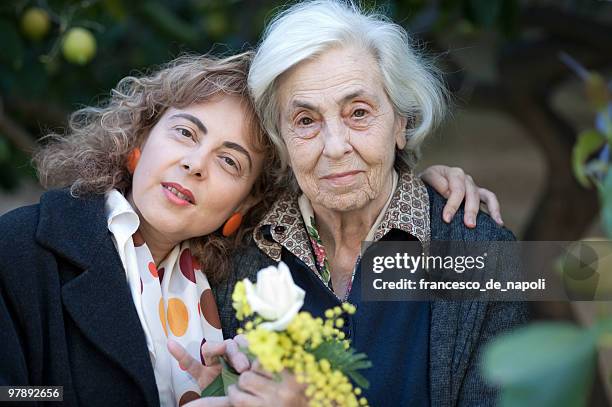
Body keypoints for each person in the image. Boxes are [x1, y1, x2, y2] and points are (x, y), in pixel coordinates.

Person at [0, 51, 500, 407]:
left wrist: (426, 188)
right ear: (139, 137)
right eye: (185, 132)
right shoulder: (22, 247)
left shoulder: (226, 280)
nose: (195, 164)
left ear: (245, 204)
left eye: (230, 162)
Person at [206, 1, 529, 406]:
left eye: (358, 113)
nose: (336, 147)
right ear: (281, 139)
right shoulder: (240, 253)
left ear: (401, 123)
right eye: (306, 121)